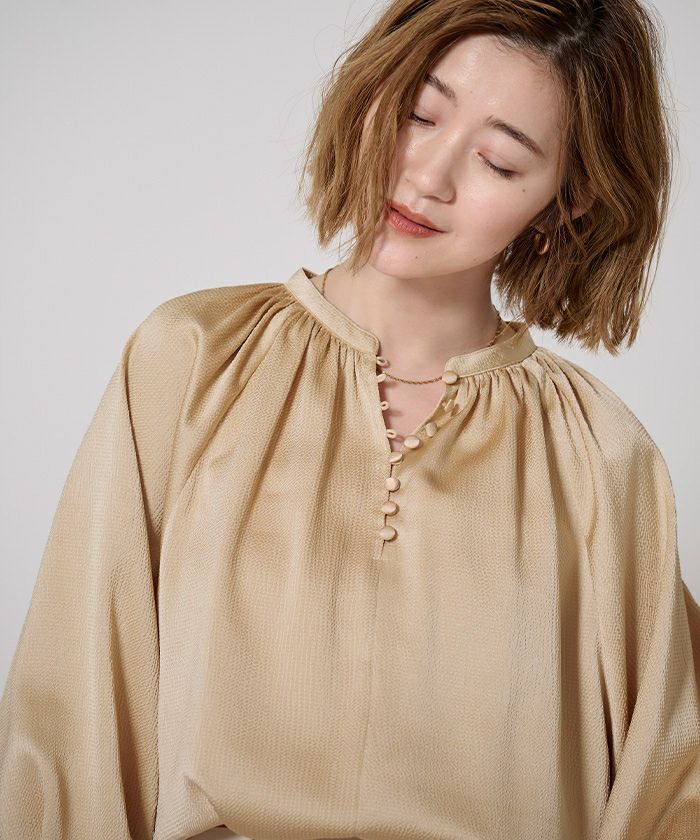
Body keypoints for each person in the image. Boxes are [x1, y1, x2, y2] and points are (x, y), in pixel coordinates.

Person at [1, 0, 698, 838]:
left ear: (567, 200)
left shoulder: (602, 457)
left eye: (499, 161)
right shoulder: (190, 360)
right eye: (419, 114)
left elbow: (673, 787)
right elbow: (72, 716)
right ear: (374, 93)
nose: (428, 176)